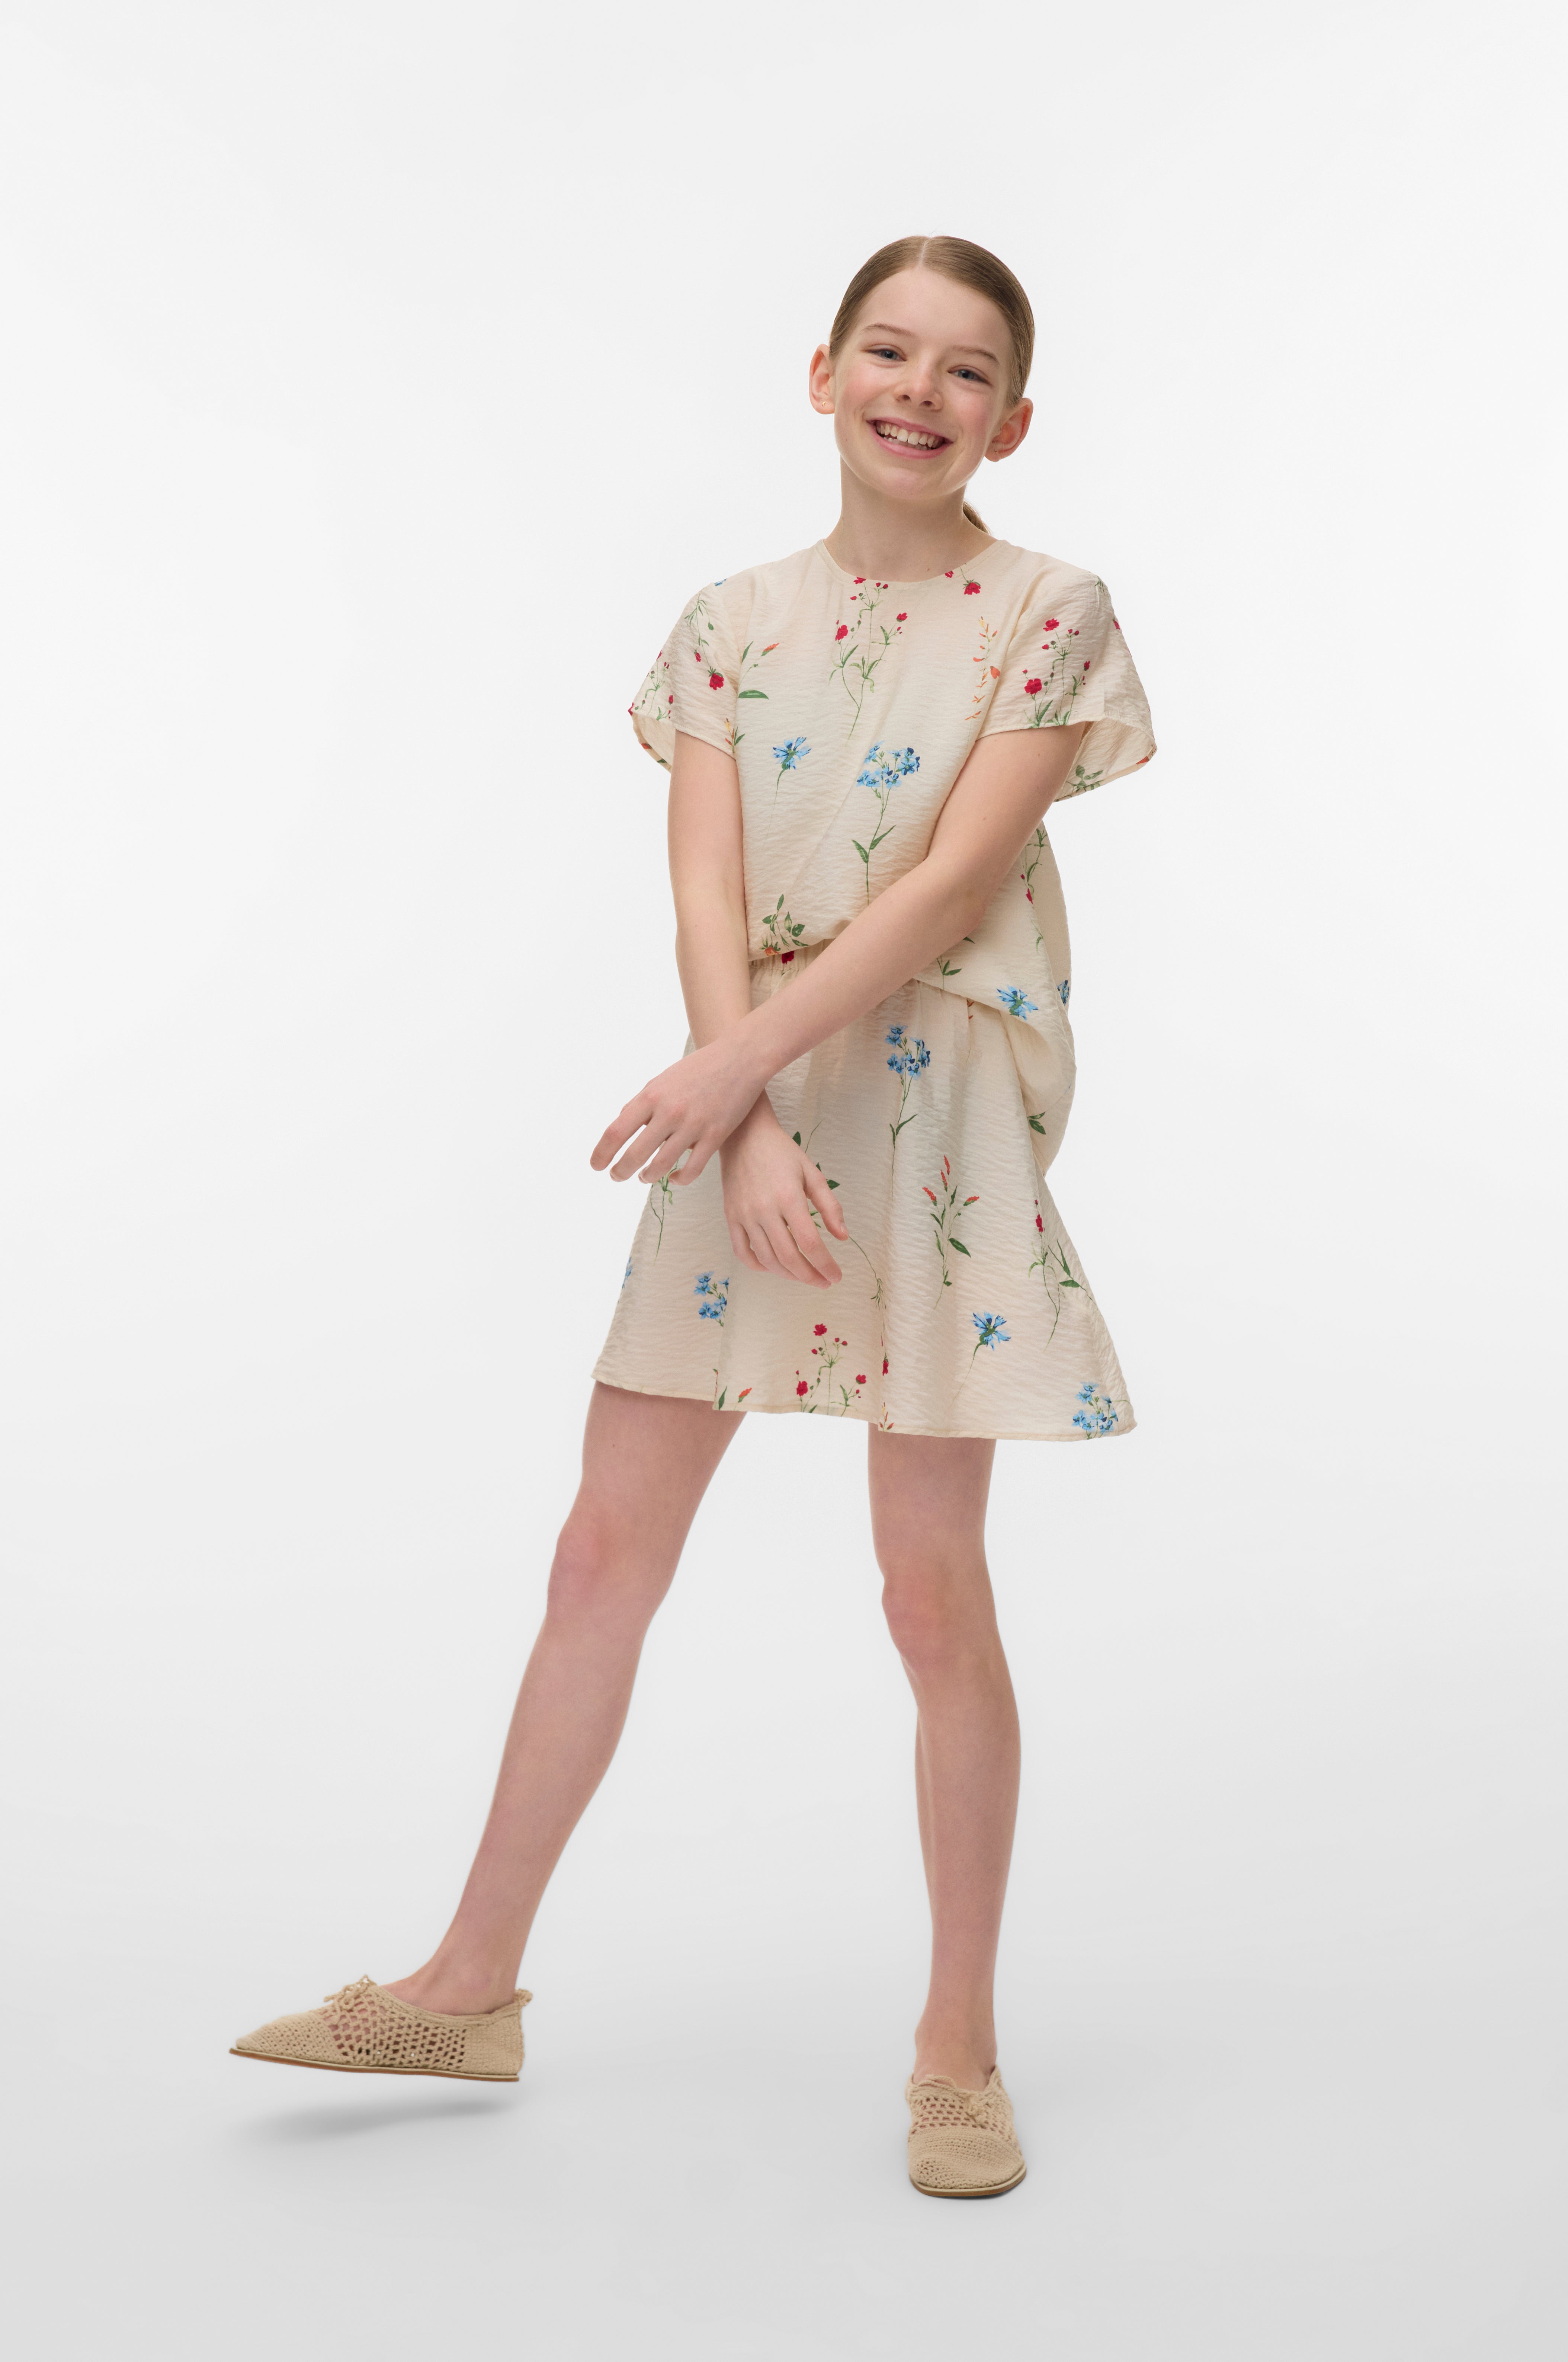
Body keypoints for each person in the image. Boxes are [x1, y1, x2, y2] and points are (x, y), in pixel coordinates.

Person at [231, 234, 1156, 2200]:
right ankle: (466, 1986)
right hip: (750, 1108)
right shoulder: (728, 623)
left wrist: (732, 1074)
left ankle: (958, 2051)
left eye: (965, 369)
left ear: (1013, 418)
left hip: (932, 1116)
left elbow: (943, 888)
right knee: (601, 1556)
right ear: (820, 374)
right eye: (888, 351)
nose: (920, 391)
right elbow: (704, 896)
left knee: (929, 1591)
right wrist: (736, 1112)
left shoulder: (1049, 612)